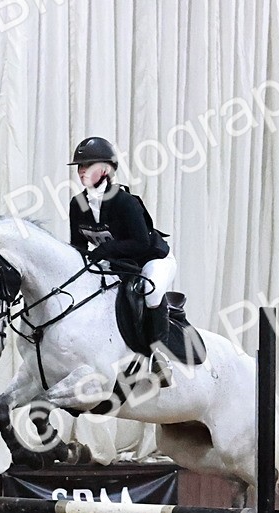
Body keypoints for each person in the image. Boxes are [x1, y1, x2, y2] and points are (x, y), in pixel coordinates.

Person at [67, 137, 178, 382]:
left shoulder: (125, 202)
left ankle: (160, 356)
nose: (82, 170)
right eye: (80, 166)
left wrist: (105, 251)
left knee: (150, 292)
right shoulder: (77, 204)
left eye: (88, 165)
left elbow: (141, 243)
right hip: (119, 264)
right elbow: (78, 244)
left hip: (151, 260)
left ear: (105, 170)